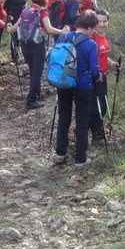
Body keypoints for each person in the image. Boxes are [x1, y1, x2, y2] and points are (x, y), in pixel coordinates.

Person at [52, 10, 100, 167]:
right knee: (82, 121)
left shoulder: (63, 37)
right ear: (89, 27)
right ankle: (80, 158)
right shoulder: (90, 43)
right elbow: (94, 70)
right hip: (83, 86)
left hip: (64, 82)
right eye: (93, 29)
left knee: (64, 117)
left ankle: (60, 153)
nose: (93, 32)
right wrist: (98, 76)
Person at [6, 0, 64, 109]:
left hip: (25, 44)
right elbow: (50, 29)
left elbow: (12, 30)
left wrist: (8, 24)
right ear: (43, 0)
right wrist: (63, 31)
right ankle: (31, 99)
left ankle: (37, 94)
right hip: (37, 45)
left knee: (33, 70)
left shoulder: (25, 11)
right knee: (37, 73)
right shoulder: (42, 12)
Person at [89, 9, 119, 144]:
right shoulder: (91, 37)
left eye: (104, 21)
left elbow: (103, 55)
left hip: (103, 76)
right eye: (98, 21)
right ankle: (95, 135)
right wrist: (95, 73)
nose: (101, 24)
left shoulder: (103, 36)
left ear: (108, 22)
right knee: (97, 107)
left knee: (102, 106)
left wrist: (112, 63)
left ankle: (97, 134)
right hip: (94, 77)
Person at [4, 0, 27, 65]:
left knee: (24, 36)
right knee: (15, 37)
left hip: (23, 17)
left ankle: (25, 55)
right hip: (13, 17)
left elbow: (25, 3)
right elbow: (5, 7)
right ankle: (15, 56)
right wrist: (8, 16)